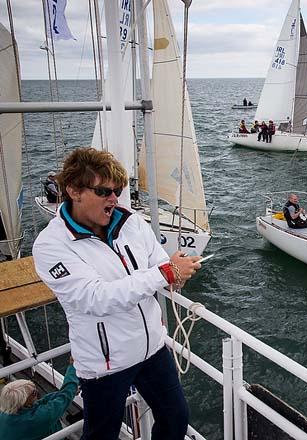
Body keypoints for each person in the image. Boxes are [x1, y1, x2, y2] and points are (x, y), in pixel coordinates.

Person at [32, 147, 201, 440]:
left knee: (176, 419)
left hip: (152, 349)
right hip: (105, 364)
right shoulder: (51, 246)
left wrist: (173, 277)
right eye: (104, 191)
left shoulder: (132, 222)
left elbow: (157, 263)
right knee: (101, 435)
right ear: (74, 190)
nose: (114, 198)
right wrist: (164, 274)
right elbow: (95, 299)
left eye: (118, 190)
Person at [0, 360, 79, 440]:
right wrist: (73, 366)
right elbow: (65, 397)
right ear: (23, 402)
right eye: (33, 393)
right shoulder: (37, 418)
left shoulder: (5, 412)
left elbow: (40, 402)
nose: (37, 392)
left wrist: (59, 393)